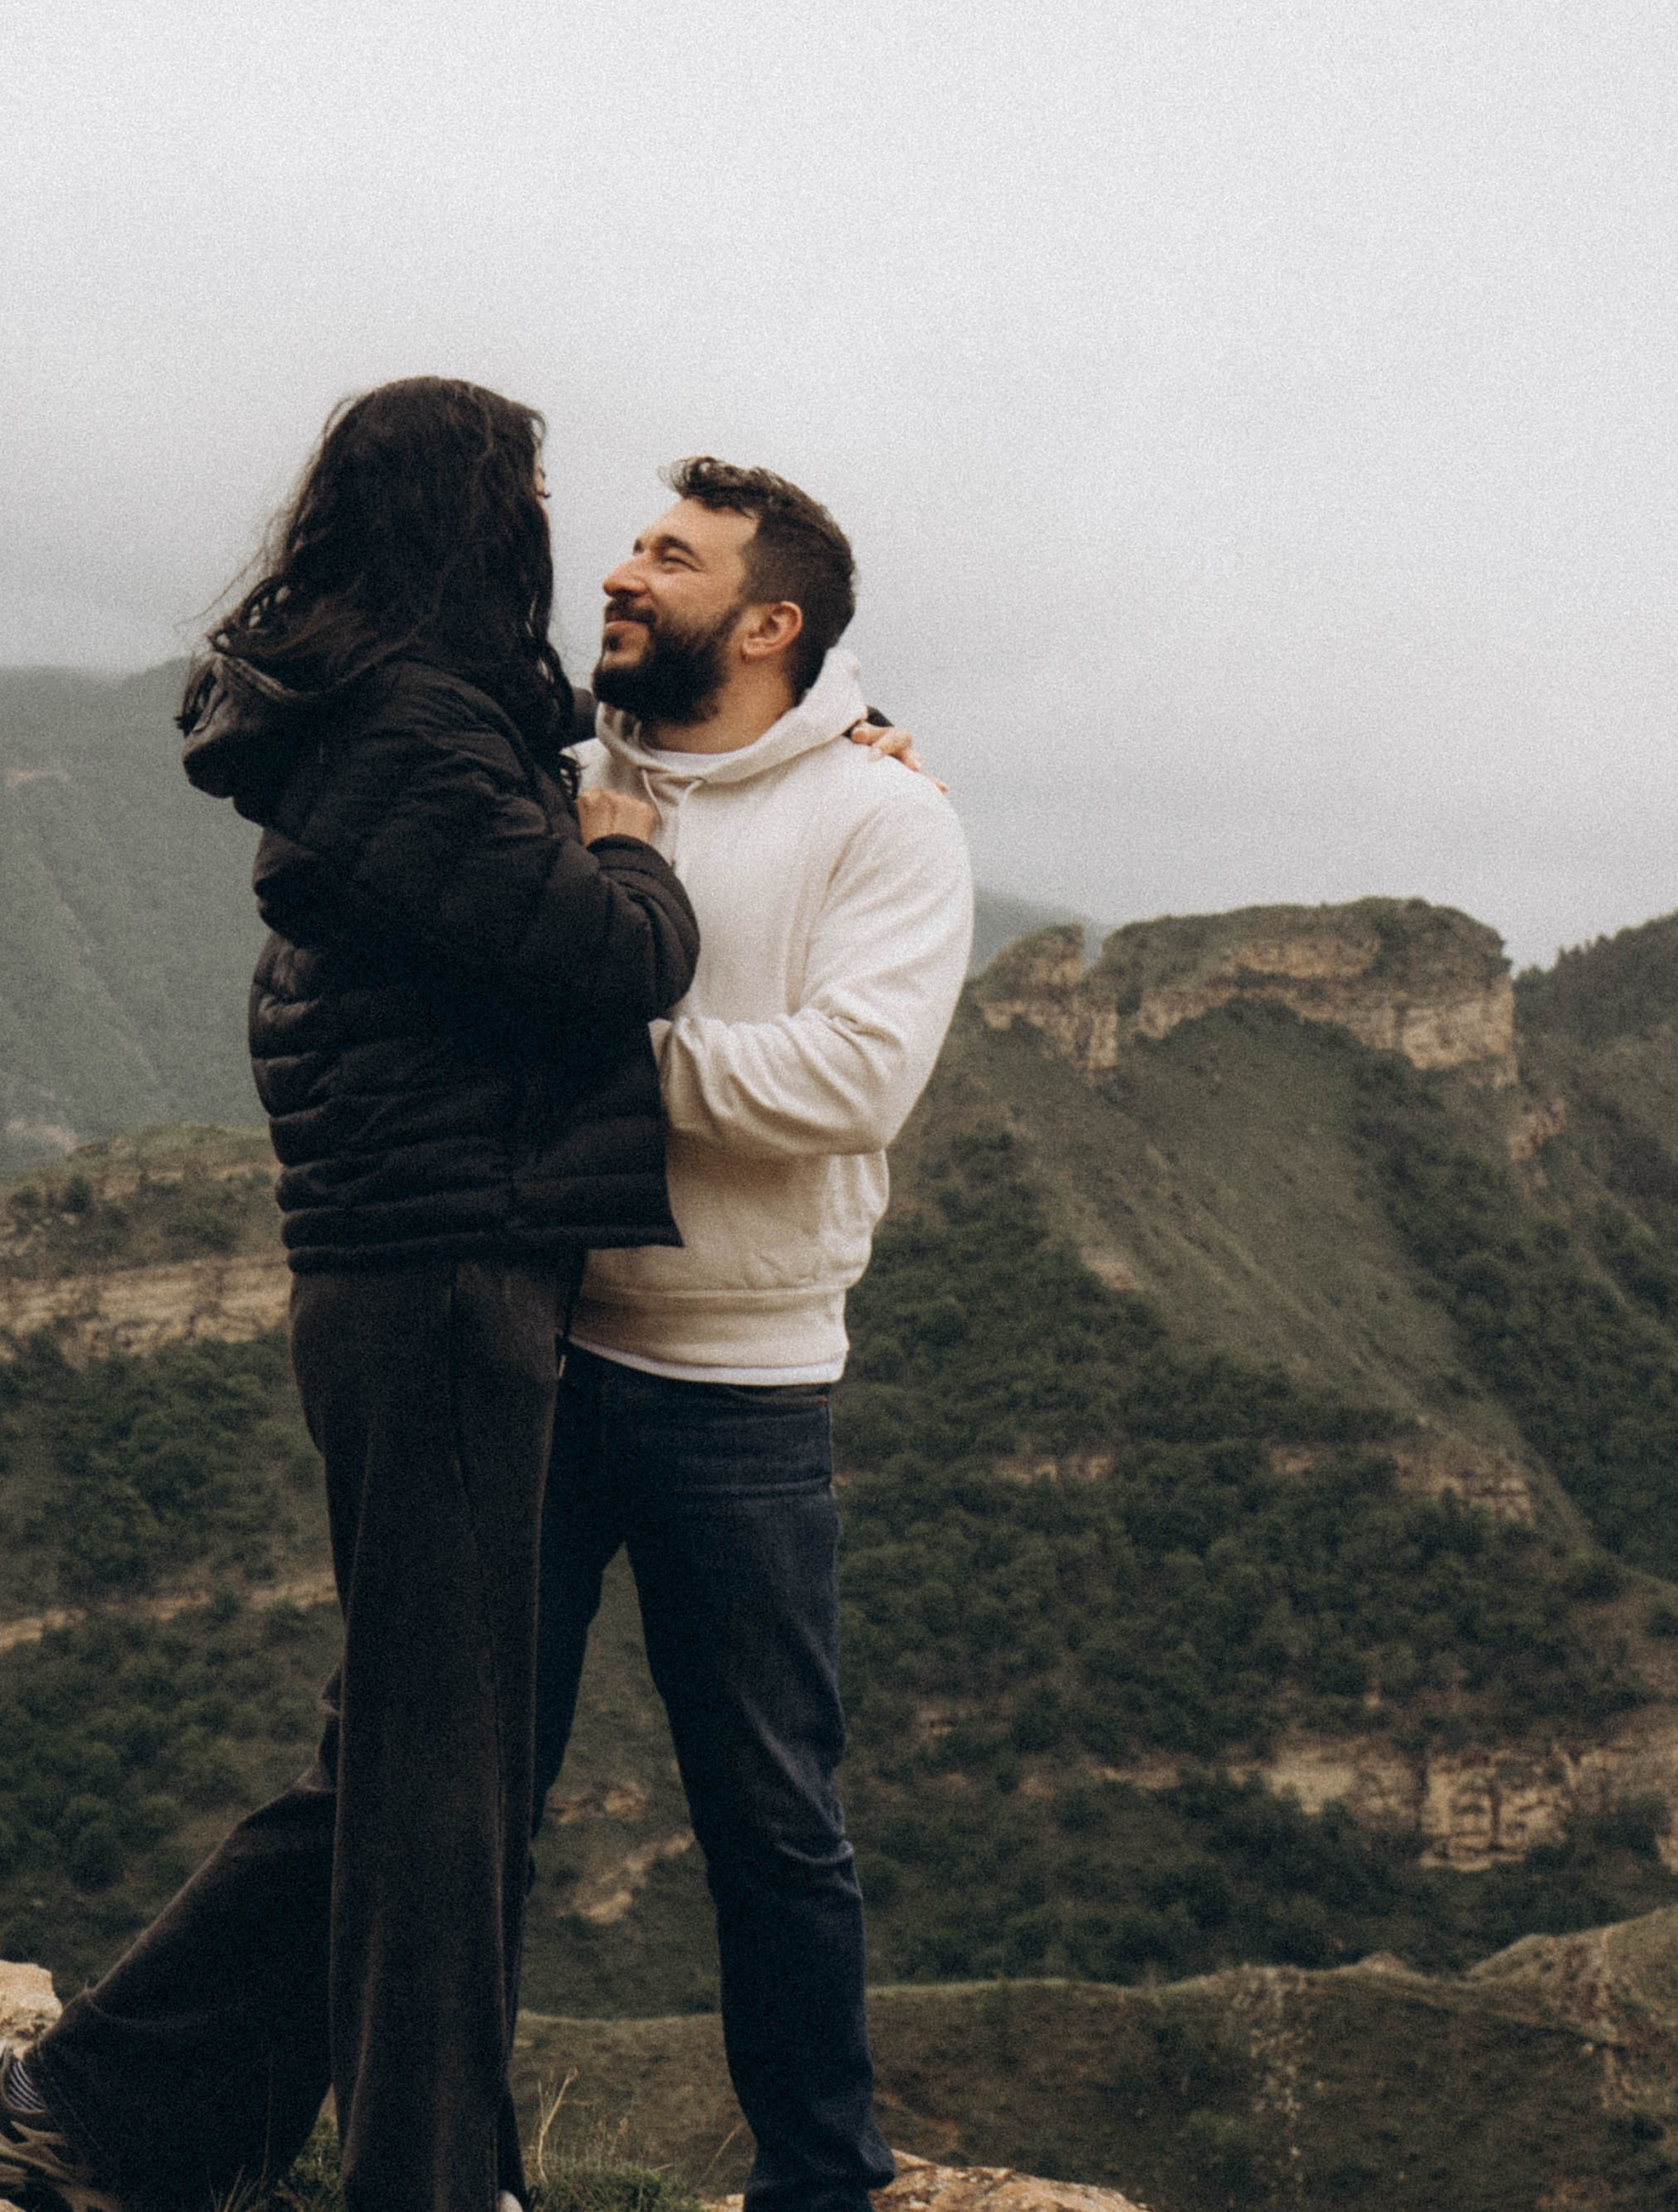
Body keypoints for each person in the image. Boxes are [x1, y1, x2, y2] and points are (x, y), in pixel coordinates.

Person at [0, 379, 699, 2212]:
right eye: (520, 489)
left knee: (407, 1753)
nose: (544, 517)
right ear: (462, 511)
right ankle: (415, 2180)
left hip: (427, 1264)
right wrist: (640, 864)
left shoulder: (390, 712)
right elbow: (591, 954)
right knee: (442, 1780)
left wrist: (832, 738)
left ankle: (100, 2111)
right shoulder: (411, 725)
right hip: (436, 1276)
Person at [534, 459, 973, 2212]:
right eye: (632, 546)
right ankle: (435, 2156)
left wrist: (597, 1064)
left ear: (769, 622)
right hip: (539, 1349)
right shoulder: (565, 776)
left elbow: (855, 1078)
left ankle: (818, 2180)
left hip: (741, 1383)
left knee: (771, 1821)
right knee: (473, 1790)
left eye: (668, 557)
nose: (622, 575)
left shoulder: (882, 820)